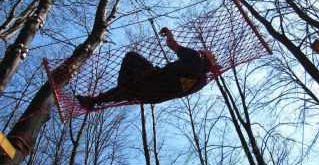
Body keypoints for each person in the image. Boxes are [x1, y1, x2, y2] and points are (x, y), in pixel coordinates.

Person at [76, 27, 220, 110]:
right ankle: (96, 100)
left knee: (131, 56)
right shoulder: (202, 81)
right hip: (152, 97)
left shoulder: (196, 58)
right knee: (129, 90)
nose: (207, 50)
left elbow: (173, 45)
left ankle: (120, 91)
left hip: (152, 81)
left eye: (209, 53)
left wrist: (169, 34)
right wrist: (214, 68)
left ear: (205, 57)